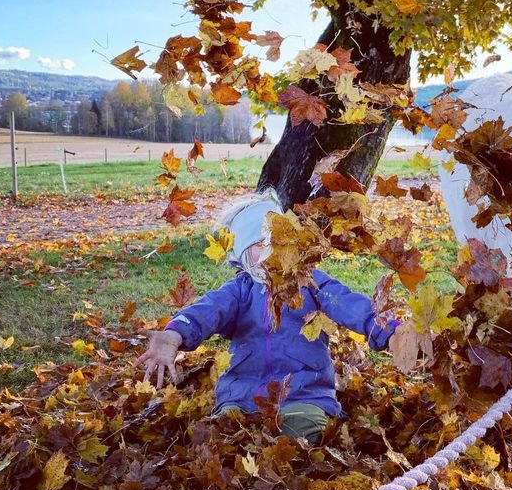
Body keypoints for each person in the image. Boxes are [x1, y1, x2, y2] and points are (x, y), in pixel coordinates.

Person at [137, 190, 409, 443]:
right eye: (258, 243)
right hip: (243, 392)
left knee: (301, 435)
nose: (269, 249)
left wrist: (391, 330)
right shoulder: (238, 292)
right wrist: (174, 333)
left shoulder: (310, 283)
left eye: (275, 239)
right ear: (243, 253)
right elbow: (206, 311)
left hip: (303, 392)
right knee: (225, 438)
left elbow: (351, 305)